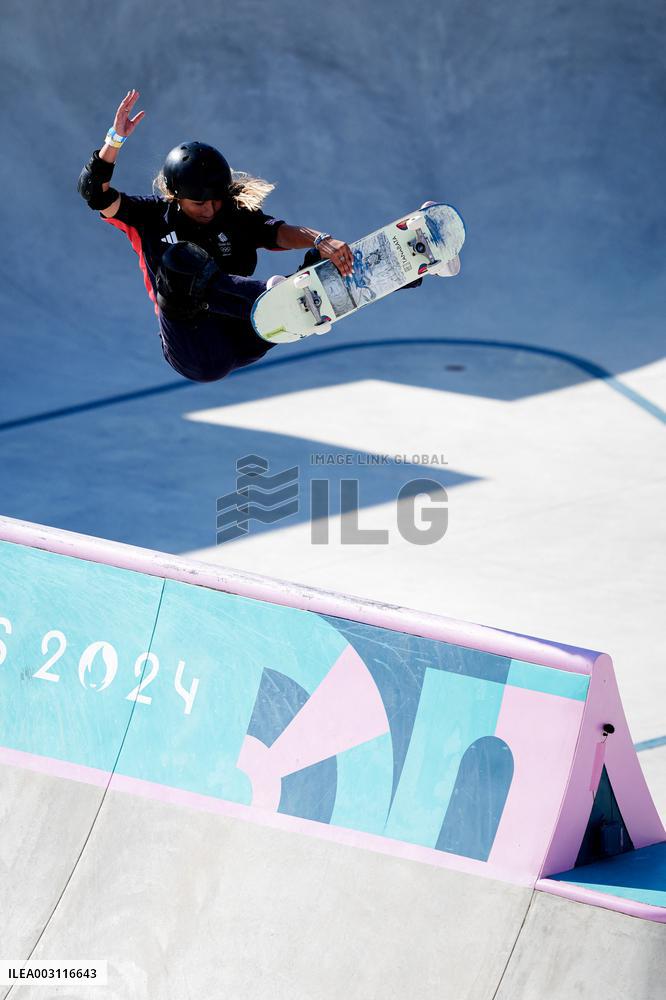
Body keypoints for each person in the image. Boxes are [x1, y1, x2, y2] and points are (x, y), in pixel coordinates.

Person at [77, 89, 359, 383]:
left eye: (216, 200)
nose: (210, 210)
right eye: (199, 203)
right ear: (175, 195)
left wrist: (319, 240)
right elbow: (94, 193)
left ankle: (319, 287)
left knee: (319, 264)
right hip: (196, 351)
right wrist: (114, 141)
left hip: (246, 333)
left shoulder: (232, 214)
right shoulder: (149, 216)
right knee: (179, 261)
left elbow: (275, 231)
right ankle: (273, 297)